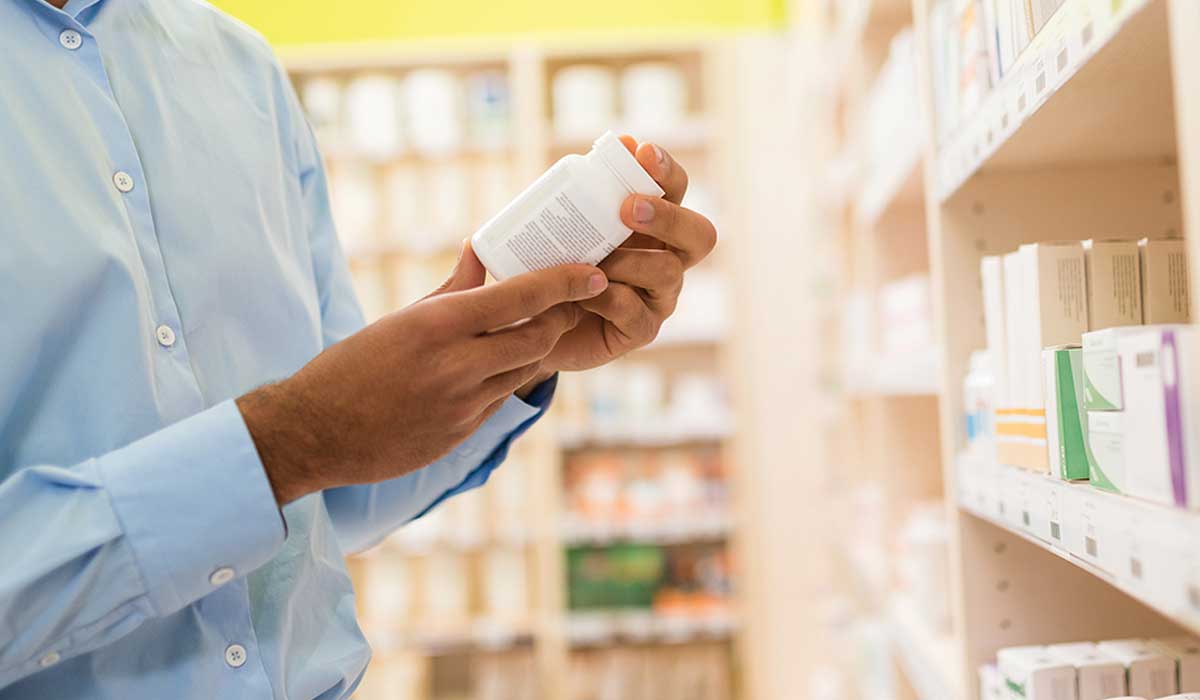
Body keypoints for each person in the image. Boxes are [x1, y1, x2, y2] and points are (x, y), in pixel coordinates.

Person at [0, 0, 717, 698]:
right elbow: (299, 447)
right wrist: (281, 445)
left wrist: (523, 344)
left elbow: (332, 498)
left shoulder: (236, 66)